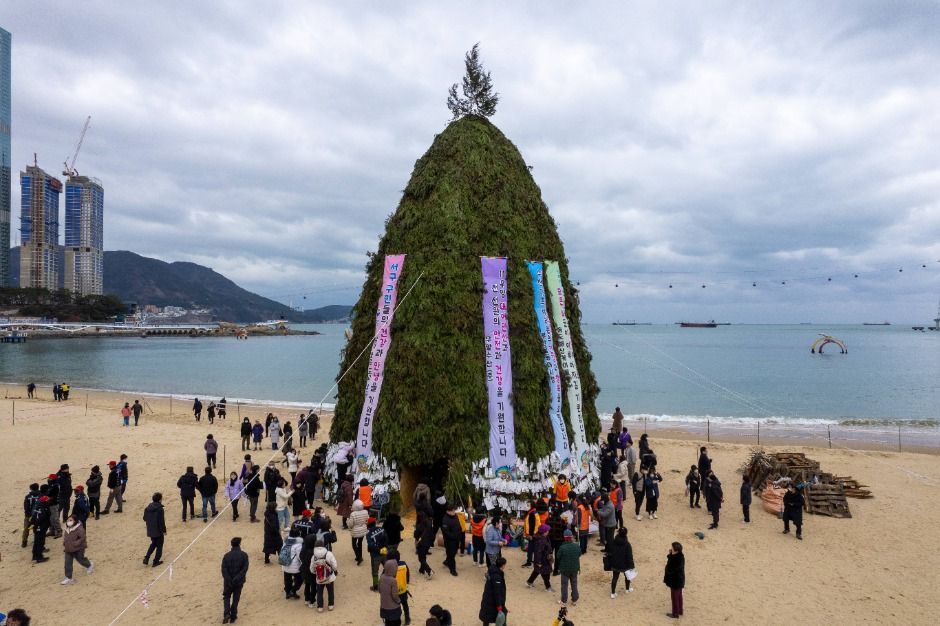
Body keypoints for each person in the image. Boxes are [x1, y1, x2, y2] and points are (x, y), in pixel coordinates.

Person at [221, 536, 249, 624]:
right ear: (239, 544)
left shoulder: (226, 556)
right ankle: (233, 616)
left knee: (226, 596)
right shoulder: (244, 555)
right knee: (236, 598)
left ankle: (226, 613)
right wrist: (236, 579)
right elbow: (244, 569)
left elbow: (224, 570)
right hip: (239, 581)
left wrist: (229, 579)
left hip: (228, 582)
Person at [61, 514, 93, 584]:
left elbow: (82, 538)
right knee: (67, 563)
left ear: (75, 521)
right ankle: (68, 577)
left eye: (71, 520)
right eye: (68, 520)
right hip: (68, 549)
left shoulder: (79, 528)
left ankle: (89, 565)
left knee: (81, 560)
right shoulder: (67, 529)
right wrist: (65, 543)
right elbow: (66, 537)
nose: (69, 521)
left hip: (78, 548)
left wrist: (75, 544)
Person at [479, 556, 508, 626]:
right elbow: (497, 592)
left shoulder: (491, 570)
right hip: (493, 600)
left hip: (487, 597)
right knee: (503, 613)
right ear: (503, 565)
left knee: (486, 615)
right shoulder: (497, 577)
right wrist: (499, 605)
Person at [311, 537, 338, 612]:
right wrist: (335, 570)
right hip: (329, 577)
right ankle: (330, 605)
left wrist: (316, 572)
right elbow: (334, 565)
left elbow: (312, 569)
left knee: (319, 592)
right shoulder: (329, 554)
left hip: (319, 578)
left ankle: (320, 607)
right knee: (330, 591)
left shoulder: (314, 556)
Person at [607, 526, 635, 598]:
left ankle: (613, 593)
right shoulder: (627, 544)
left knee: (615, 578)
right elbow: (629, 556)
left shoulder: (614, 542)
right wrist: (632, 566)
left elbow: (610, 551)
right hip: (625, 564)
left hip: (615, 563)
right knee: (627, 576)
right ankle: (627, 589)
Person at [526, 524, 553, 591]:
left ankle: (530, 581)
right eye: (547, 531)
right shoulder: (540, 540)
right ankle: (548, 587)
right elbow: (538, 552)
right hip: (542, 559)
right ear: (544, 532)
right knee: (545, 573)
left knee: (537, 571)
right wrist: (539, 562)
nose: (548, 532)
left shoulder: (545, 537)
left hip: (545, 558)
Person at [557, 529, 581, 606]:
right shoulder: (576, 546)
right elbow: (579, 554)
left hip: (565, 569)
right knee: (574, 584)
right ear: (571, 537)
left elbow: (558, 557)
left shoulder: (562, 547)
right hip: (574, 568)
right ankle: (574, 599)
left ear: (564, 537)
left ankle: (564, 600)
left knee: (564, 585)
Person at [143, 492, 166, 567]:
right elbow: (161, 522)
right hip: (158, 530)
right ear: (159, 500)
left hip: (150, 530)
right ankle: (156, 561)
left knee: (153, 543)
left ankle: (146, 558)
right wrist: (164, 530)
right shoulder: (160, 509)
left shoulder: (147, 508)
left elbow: (144, 518)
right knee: (159, 545)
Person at [280, 529, 303, 599]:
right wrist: (302, 563)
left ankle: (287, 593)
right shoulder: (298, 544)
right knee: (299, 579)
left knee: (287, 580)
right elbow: (300, 557)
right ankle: (293, 591)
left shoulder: (285, 541)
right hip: (294, 566)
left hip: (285, 564)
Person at [367, 516, 389, 589]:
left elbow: (371, 545)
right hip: (384, 552)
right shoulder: (381, 529)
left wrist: (378, 550)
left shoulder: (369, 533)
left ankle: (376, 586)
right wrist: (385, 548)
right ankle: (386, 581)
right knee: (387, 567)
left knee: (375, 571)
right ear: (374, 523)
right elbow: (387, 539)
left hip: (375, 555)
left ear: (368, 525)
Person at [664, 542, 685, 619]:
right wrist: (671, 554)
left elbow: (672, 568)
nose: (671, 548)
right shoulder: (680, 556)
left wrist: (668, 572)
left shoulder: (676, 558)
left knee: (675, 597)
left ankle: (675, 614)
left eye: (672, 548)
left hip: (675, 581)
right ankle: (679, 611)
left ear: (675, 550)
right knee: (679, 596)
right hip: (679, 580)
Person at [440, 504, 462, 577]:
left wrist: (459, 533)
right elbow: (446, 533)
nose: (454, 512)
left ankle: (447, 561)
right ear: (448, 511)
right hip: (449, 541)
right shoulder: (445, 520)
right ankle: (452, 569)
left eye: (454, 510)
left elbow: (458, 525)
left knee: (454, 552)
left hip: (456, 539)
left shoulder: (455, 516)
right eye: (452, 511)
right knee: (451, 555)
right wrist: (454, 536)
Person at [379, 558, 403, 625]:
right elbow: (394, 595)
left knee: (387, 622)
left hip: (384, 606)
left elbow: (379, 590)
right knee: (396, 622)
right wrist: (399, 601)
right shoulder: (393, 580)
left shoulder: (382, 577)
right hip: (393, 608)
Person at [30, 495, 51, 563]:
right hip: (41, 528)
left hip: (37, 528)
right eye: (47, 501)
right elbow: (41, 519)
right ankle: (39, 557)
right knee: (40, 542)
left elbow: (33, 518)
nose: (48, 501)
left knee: (36, 542)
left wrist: (33, 525)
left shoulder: (37, 508)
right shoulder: (43, 509)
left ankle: (35, 556)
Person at [415, 510, 435, 578]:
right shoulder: (430, 523)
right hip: (428, 544)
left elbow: (416, 535)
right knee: (423, 556)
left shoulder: (420, 525)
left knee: (421, 559)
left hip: (422, 544)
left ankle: (429, 571)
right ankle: (421, 570)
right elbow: (432, 535)